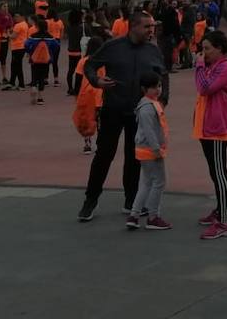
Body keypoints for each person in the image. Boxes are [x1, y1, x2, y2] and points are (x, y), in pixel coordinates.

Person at [79, 12, 166, 222]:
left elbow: (162, 75)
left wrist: (162, 102)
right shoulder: (113, 46)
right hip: (113, 109)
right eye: (147, 27)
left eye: (152, 27)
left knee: (134, 157)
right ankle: (90, 200)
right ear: (133, 26)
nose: (151, 31)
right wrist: (97, 81)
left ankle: (131, 200)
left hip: (139, 112)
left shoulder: (152, 50)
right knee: (104, 155)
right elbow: (89, 65)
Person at [193, 30, 227, 240]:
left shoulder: (225, 67)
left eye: (207, 49)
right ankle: (219, 209)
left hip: (217, 126)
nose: (203, 53)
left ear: (220, 49)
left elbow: (204, 88)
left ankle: (224, 221)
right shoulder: (213, 66)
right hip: (207, 125)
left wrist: (198, 66)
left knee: (219, 171)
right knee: (214, 170)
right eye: (202, 49)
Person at [127, 72, 172, 231]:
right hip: (150, 150)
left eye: (159, 86)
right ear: (144, 89)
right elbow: (149, 131)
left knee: (145, 182)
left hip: (145, 150)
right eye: (154, 87)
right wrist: (156, 149)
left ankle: (134, 215)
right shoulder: (147, 107)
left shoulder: (150, 103)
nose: (157, 90)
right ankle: (153, 217)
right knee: (159, 182)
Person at [72, 37, 104, 155]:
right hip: (100, 95)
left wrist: (76, 94)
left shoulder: (83, 61)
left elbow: (78, 79)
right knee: (100, 120)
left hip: (86, 94)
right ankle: (101, 144)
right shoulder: (104, 61)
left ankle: (87, 143)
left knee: (86, 120)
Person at [25, 18, 60, 106]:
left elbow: (26, 44)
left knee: (34, 74)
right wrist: (50, 52)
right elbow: (56, 46)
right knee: (42, 77)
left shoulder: (33, 36)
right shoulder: (50, 37)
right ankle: (40, 98)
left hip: (35, 59)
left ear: (37, 27)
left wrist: (30, 51)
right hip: (46, 60)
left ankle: (33, 87)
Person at [6, 15, 30, 90]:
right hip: (21, 47)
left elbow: (13, 36)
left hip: (17, 47)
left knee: (17, 66)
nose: (15, 18)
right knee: (14, 65)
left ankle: (21, 84)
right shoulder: (25, 24)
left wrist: (8, 34)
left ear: (21, 17)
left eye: (17, 17)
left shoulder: (18, 25)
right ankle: (12, 82)